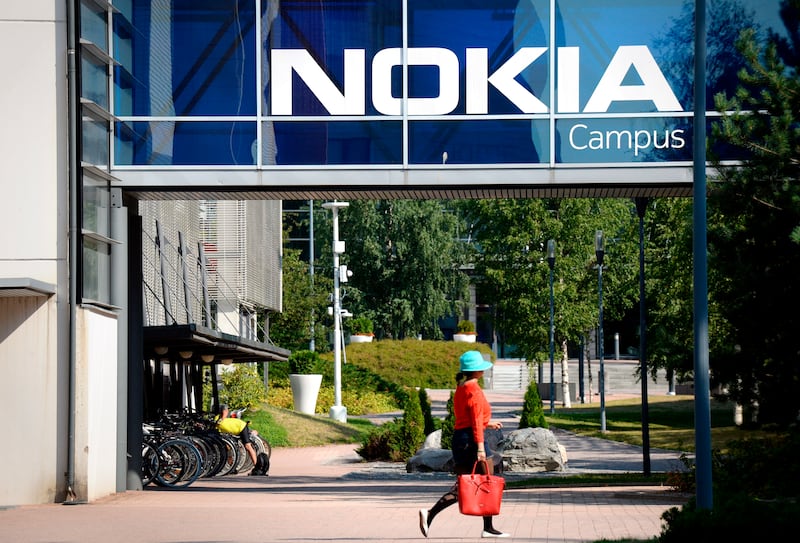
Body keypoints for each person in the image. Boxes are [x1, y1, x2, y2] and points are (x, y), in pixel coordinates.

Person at [418, 351, 509, 538]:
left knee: (478, 482)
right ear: (476, 371)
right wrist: (481, 448)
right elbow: (474, 420)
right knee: (480, 482)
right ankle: (430, 514)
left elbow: (467, 418)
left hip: (462, 439)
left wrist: (487, 423)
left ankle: (488, 527)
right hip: (471, 442)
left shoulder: (462, 387)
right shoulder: (474, 390)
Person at [216, 404, 269, 476]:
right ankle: (232, 467)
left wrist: (224, 412)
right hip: (234, 430)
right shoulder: (217, 418)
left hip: (241, 427)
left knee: (248, 446)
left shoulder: (220, 419)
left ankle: (257, 467)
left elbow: (224, 413)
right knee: (228, 448)